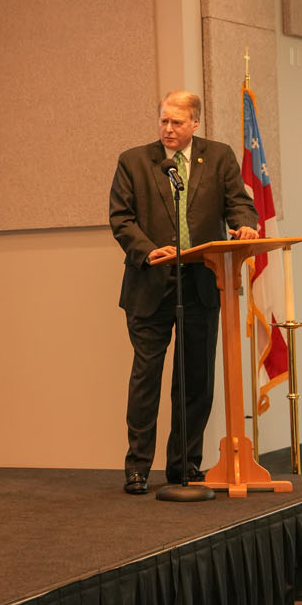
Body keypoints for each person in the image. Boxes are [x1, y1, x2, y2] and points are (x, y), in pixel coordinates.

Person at [108, 90, 258, 495]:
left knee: (195, 380)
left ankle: (185, 465)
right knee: (146, 378)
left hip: (202, 284)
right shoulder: (134, 161)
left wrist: (245, 225)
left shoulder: (220, 156)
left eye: (177, 122)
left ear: (195, 123)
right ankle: (137, 467)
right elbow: (120, 218)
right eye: (163, 121)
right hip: (150, 284)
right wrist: (147, 250)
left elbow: (240, 205)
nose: (168, 129)